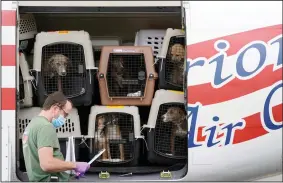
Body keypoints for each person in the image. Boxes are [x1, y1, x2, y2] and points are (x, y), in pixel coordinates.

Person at [22, 91, 90, 182]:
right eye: (65, 114)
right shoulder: (46, 127)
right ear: (55, 108)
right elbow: (47, 164)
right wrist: (75, 165)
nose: (65, 119)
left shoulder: (33, 124)